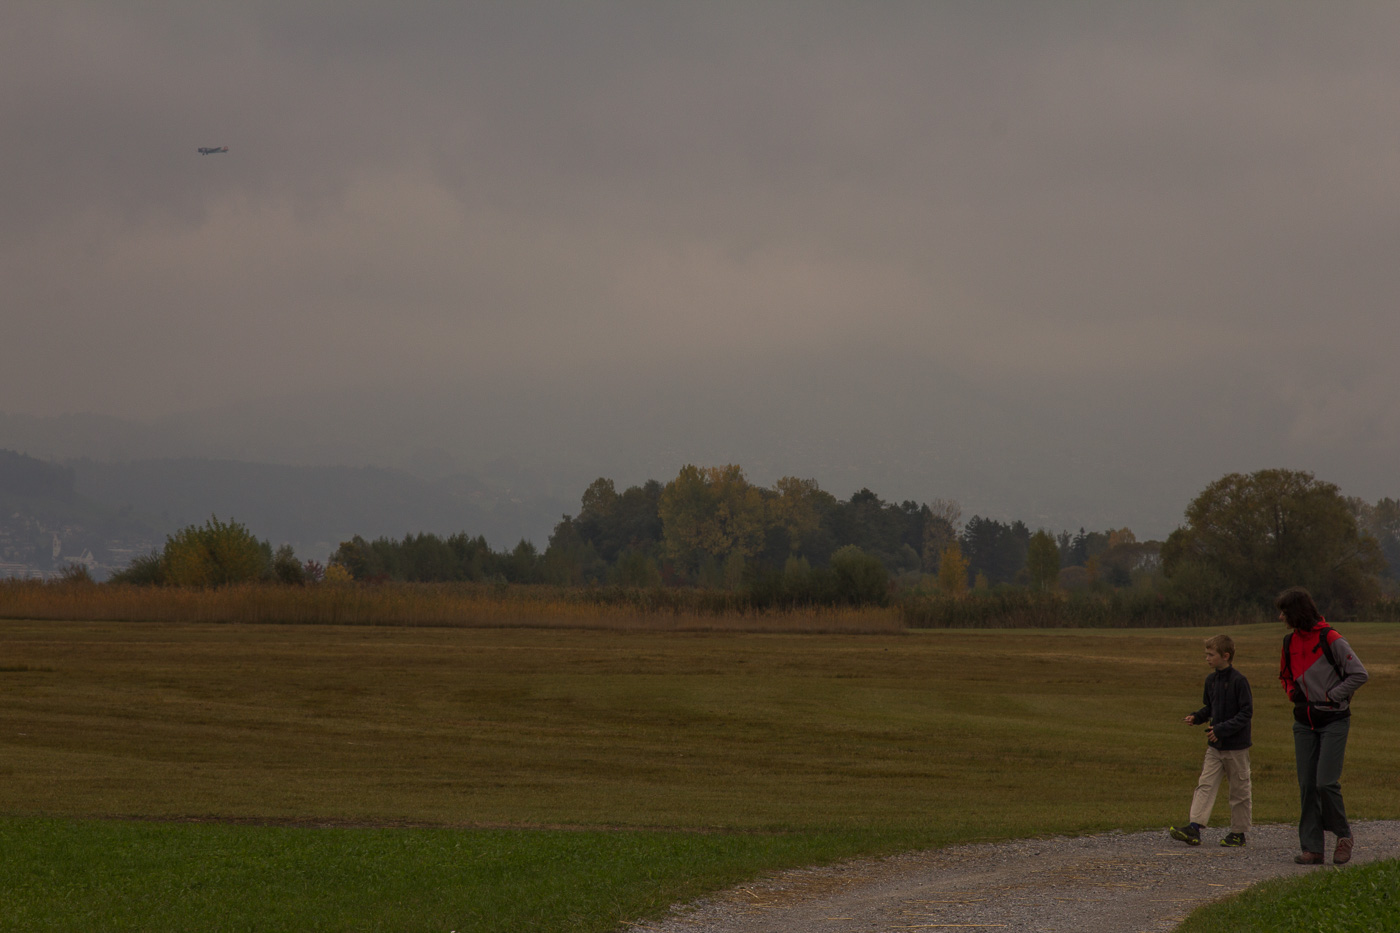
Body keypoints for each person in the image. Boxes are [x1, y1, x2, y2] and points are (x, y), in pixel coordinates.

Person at [1277, 586, 1368, 866]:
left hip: (1334, 720)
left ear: (1297, 612)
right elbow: (1285, 675)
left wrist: (1332, 696)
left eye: (1284, 612)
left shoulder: (1331, 638)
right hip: (1304, 722)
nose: (1281, 617)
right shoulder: (1288, 642)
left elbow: (1359, 674)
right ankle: (1312, 848)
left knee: (1325, 782)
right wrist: (1293, 693)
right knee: (1307, 785)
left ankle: (1343, 836)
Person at [1169, 634, 1253, 847]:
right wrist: (1197, 717)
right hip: (1215, 748)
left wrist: (1222, 729)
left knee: (1239, 791)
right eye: (1206, 654)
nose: (1207, 658)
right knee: (1205, 785)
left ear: (1225, 656)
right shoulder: (1211, 681)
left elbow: (1246, 713)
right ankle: (1194, 828)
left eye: (1211, 654)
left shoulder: (1239, 681)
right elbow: (1210, 708)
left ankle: (1238, 834)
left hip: (1237, 748)